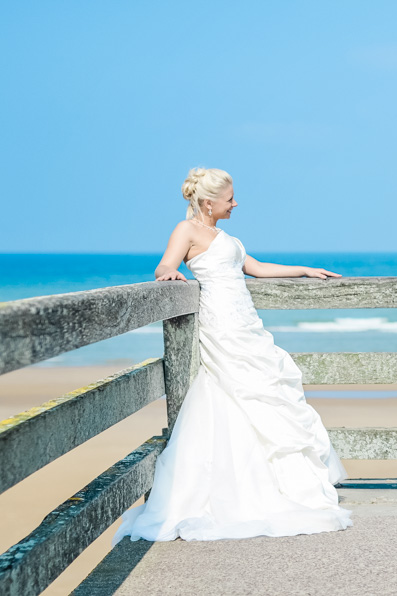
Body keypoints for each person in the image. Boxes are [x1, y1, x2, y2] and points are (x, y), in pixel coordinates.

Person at [114, 167, 352, 543]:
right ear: (209, 202)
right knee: (237, 391)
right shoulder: (186, 230)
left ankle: (271, 481)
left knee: (265, 391)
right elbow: (165, 265)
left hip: (245, 323)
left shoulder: (224, 236)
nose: (236, 203)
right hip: (222, 324)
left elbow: (255, 269)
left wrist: (304, 270)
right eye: (229, 199)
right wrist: (170, 275)